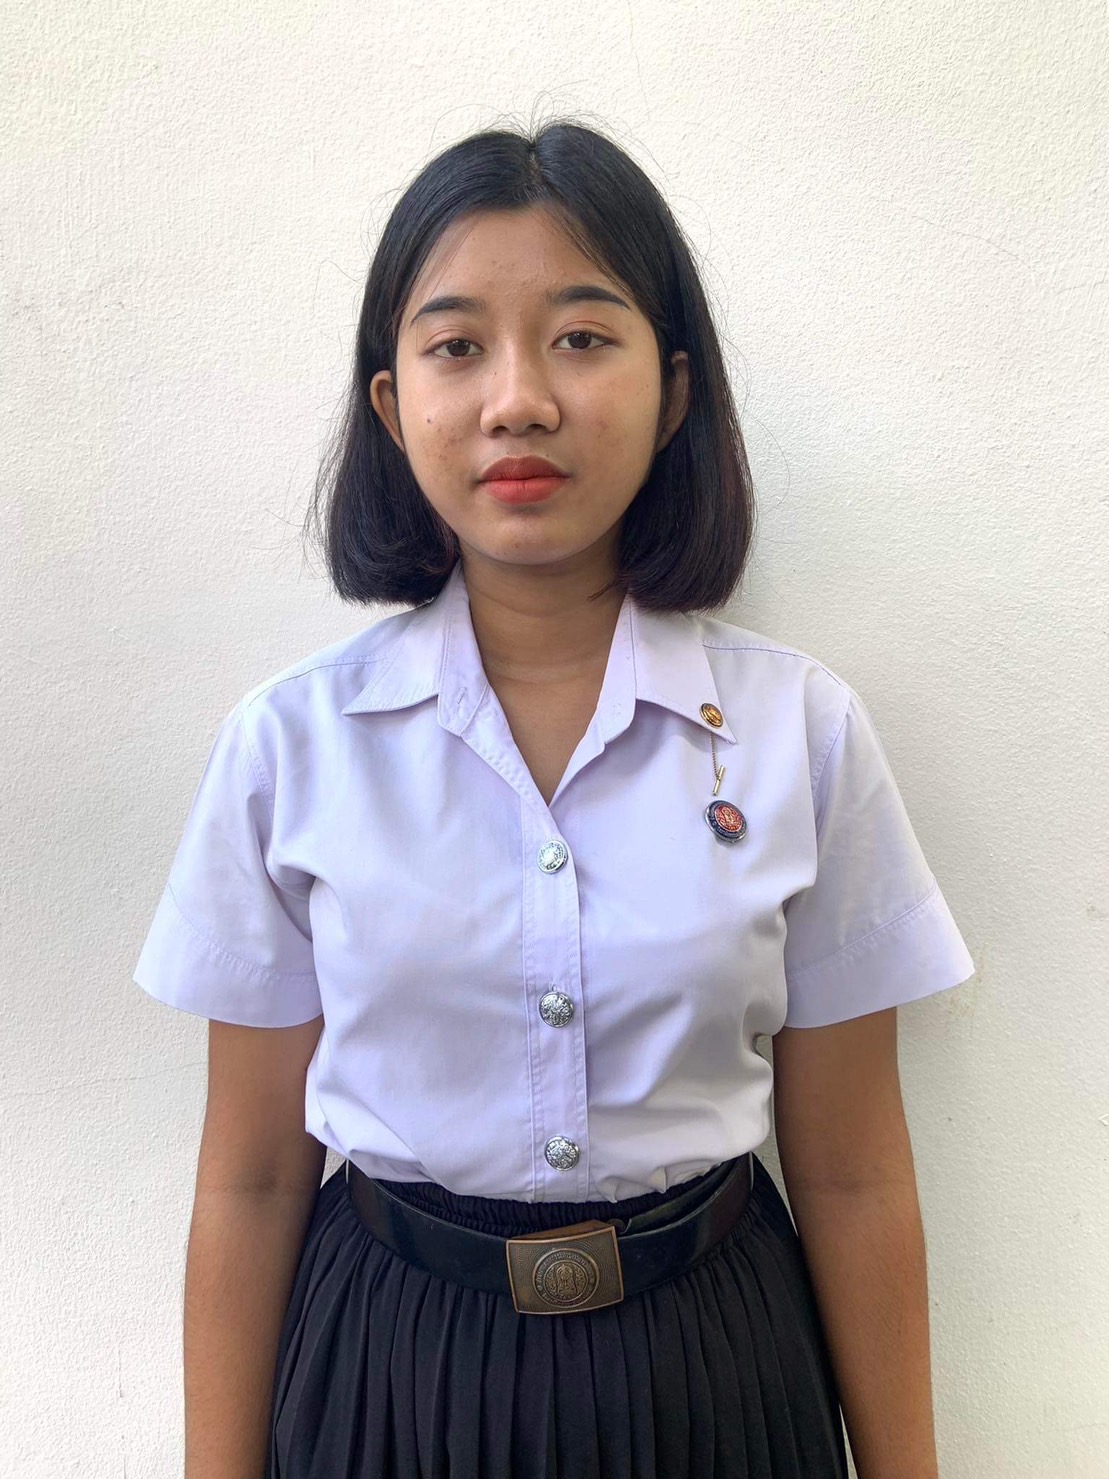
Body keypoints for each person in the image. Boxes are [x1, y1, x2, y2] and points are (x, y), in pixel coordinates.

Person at [133, 118, 975, 1479]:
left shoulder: (799, 733)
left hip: (715, 1367)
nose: (517, 400)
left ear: (675, 390)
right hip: (386, 1371)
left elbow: (854, 1172)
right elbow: (249, 1180)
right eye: (457, 346)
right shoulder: (291, 747)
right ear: (392, 404)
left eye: (582, 337)